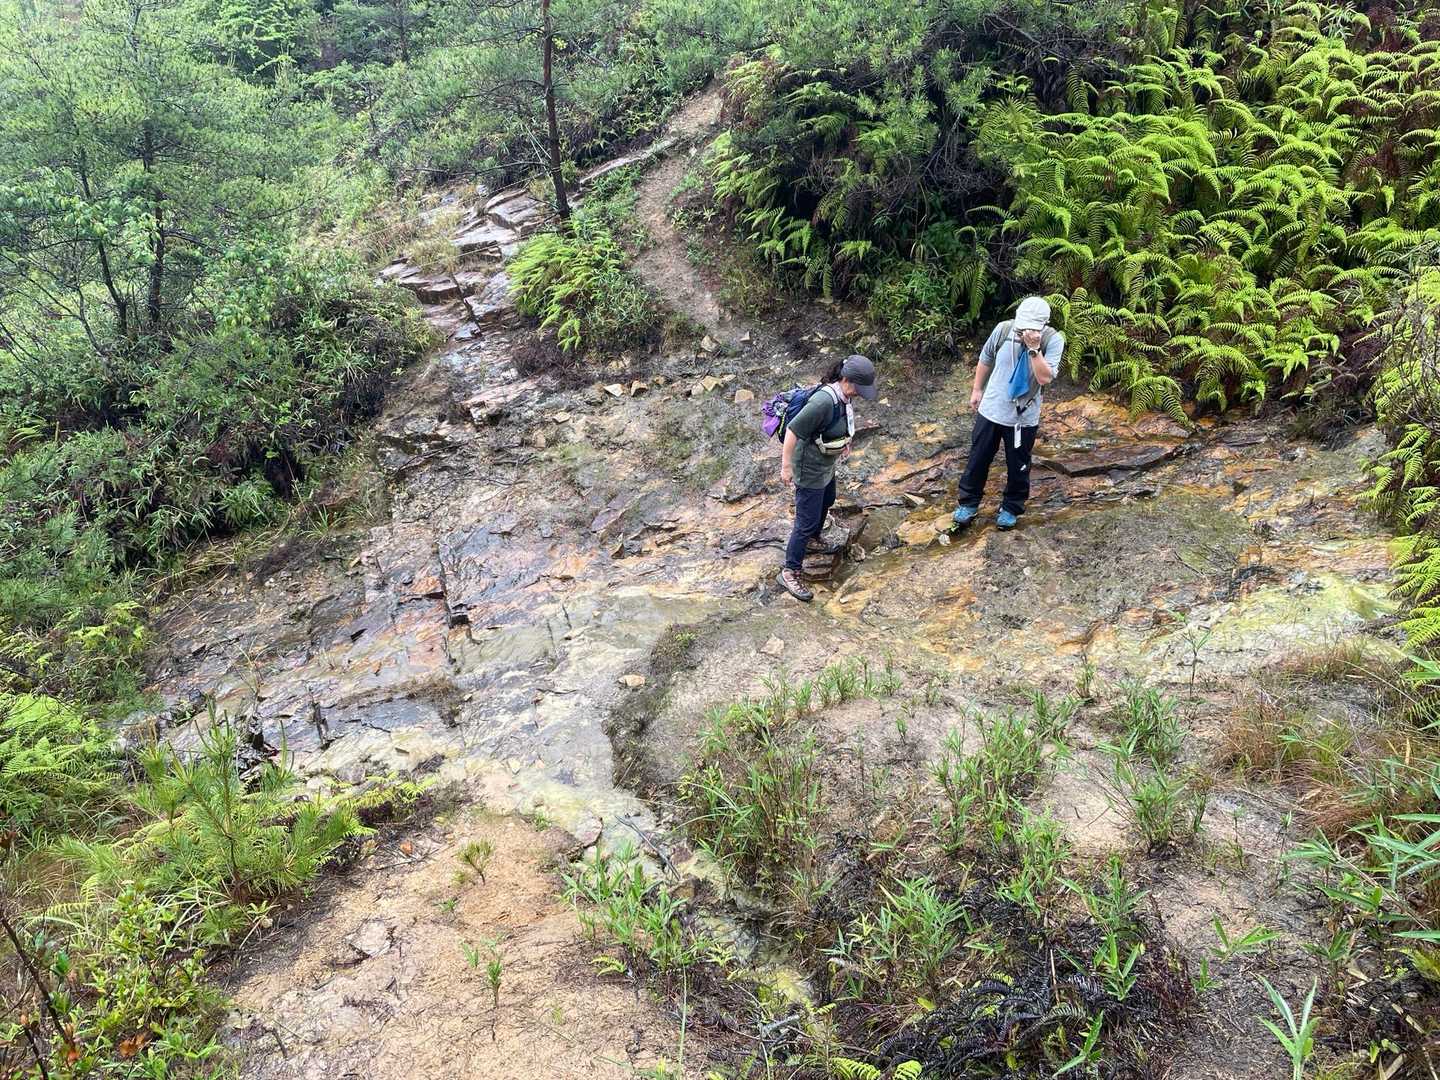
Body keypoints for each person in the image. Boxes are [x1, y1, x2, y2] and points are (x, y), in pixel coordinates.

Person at [951, 296, 1064, 531]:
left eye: (1030, 327)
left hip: (1023, 417)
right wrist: (977, 389)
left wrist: (1034, 349)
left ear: (1043, 325)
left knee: (1018, 464)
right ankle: (968, 503)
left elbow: (1045, 378)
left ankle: (1011, 507)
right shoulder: (1004, 329)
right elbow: (986, 358)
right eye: (1022, 326)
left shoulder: (1053, 340)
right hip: (991, 409)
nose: (1024, 331)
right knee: (978, 458)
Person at [777, 354, 878, 601]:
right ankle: (790, 571)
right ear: (846, 379)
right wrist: (786, 467)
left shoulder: (844, 397)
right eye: (858, 388)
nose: (860, 394)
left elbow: (839, 423)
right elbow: (793, 431)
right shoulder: (823, 401)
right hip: (809, 468)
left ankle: (814, 538)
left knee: (828, 499)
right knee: (805, 521)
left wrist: (844, 442)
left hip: (825, 464)